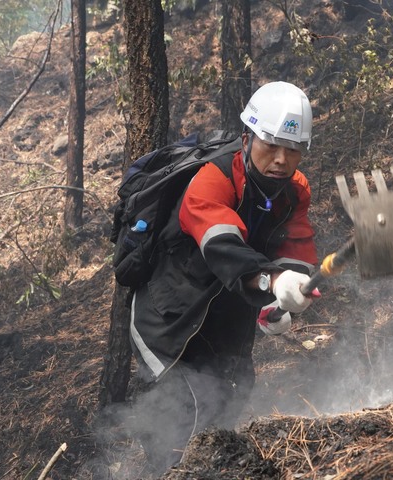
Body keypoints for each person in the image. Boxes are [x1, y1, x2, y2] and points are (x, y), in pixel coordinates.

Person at [127, 81, 320, 474]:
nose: (282, 159)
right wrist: (270, 283)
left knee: (223, 419)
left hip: (227, 320)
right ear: (248, 138)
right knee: (179, 427)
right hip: (169, 321)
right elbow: (222, 245)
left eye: (293, 149)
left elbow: (295, 251)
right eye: (271, 145)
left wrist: (282, 303)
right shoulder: (212, 178)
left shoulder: (293, 192)